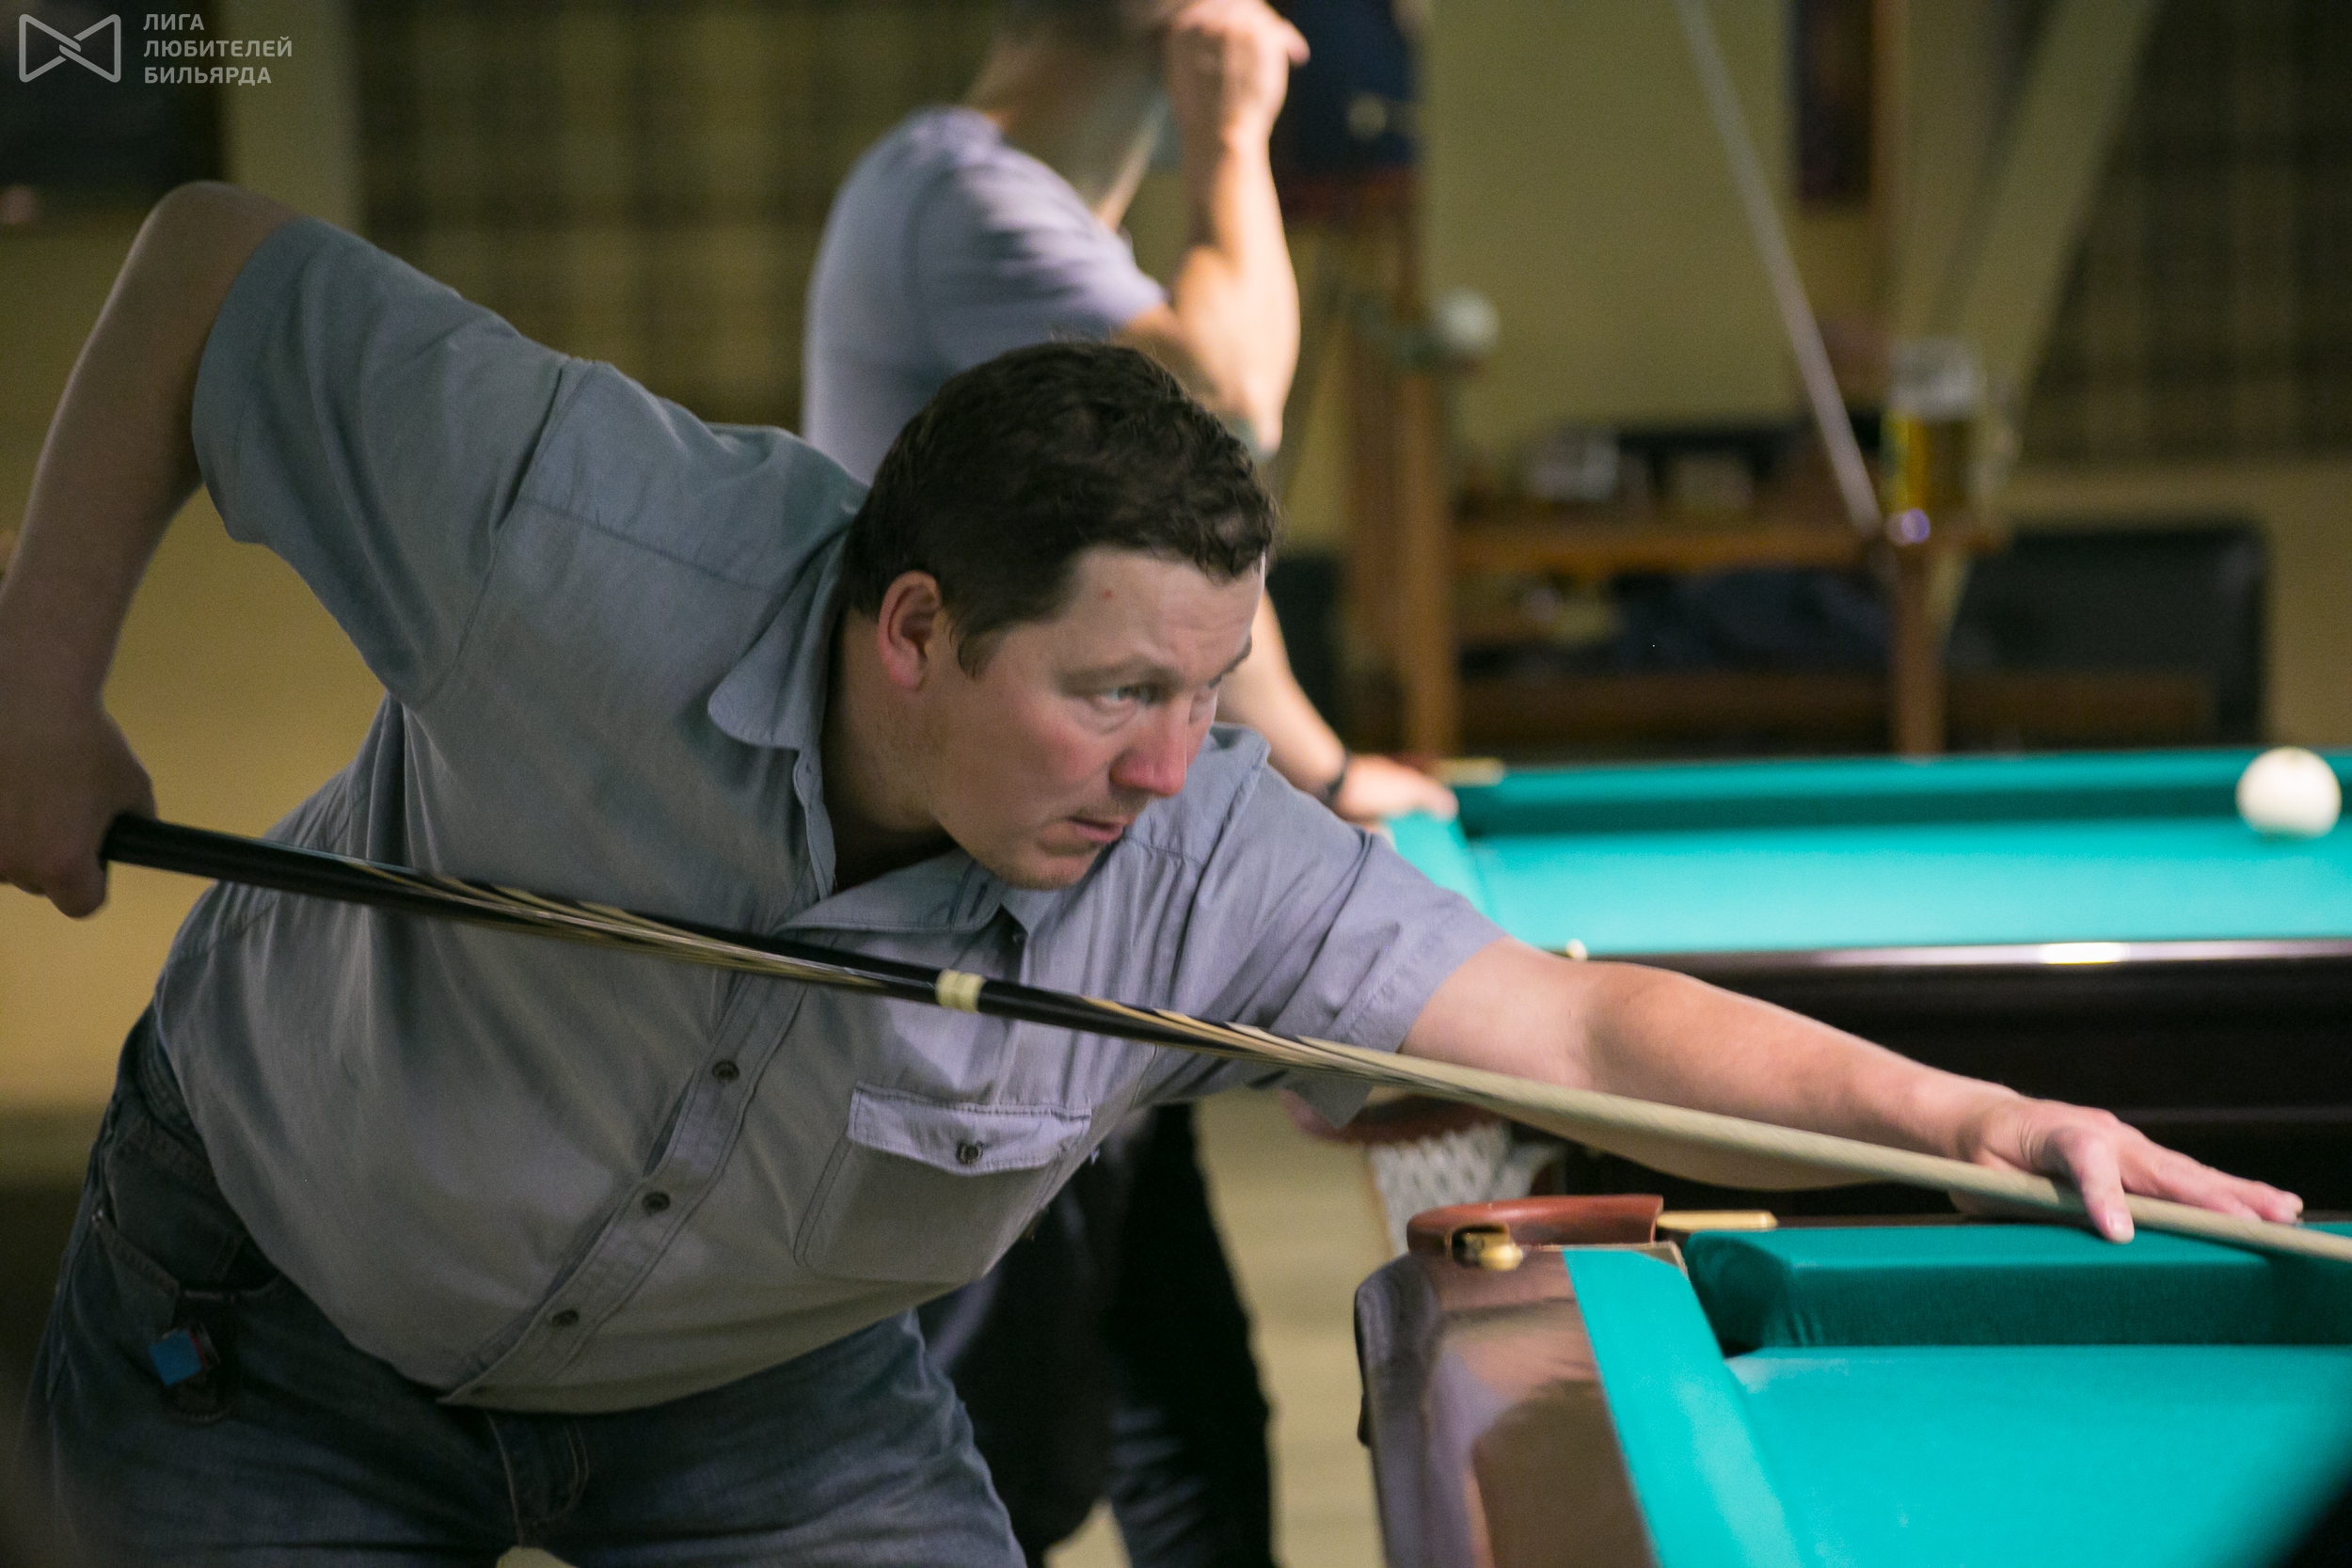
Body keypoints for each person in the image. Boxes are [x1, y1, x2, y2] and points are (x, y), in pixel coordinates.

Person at [0, 183, 2298, 1565]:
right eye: (1112, 693)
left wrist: (1978, 1122)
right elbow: (217, 267)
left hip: (753, 1382)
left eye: (1205, 692)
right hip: (272, 1309)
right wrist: (34, 683)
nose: (1169, 768)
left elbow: (1577, 1022)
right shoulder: (574, 537)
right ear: (913, 630)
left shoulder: (1201, 851)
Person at [803, 6, 1436, 1560]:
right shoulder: (960, 193)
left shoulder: (1006, 204)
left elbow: (1179, 575)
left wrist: (1322, 769)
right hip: (975, 948)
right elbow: (1233, 404)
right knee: (1000, 1454)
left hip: (1061, 914)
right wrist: (1229, 134)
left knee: (1186, 1419)